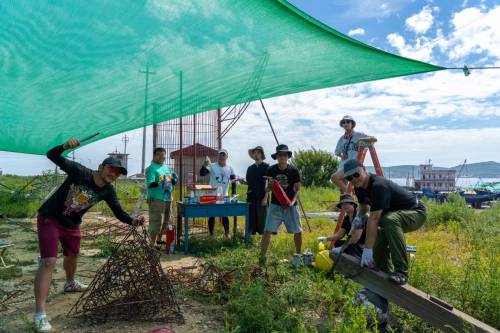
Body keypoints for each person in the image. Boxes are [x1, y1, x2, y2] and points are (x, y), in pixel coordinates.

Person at [34, 138, 144, 332]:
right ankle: (40, 316)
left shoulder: (108, 190)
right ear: (101, 166)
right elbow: (52, 155)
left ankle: (70, 283)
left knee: (73, 255)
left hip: (72, 224)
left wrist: (132, 221)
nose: (114, 174)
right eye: (112, 169)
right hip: (50, 218)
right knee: (49, 262)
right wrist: (65, 147)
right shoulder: (79, 172)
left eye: (118, 173)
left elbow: (119, 212)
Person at [344, 159, 427, 285]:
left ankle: (401, 272)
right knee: (378, 250)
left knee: (389, 220)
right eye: (349, 178)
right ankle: (385, 275)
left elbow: (374, 218)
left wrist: (366, 249)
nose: (354, 179)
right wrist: (358, 216)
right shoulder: (359, 186)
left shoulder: (378, 186)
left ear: (364, 169)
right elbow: (363, 204)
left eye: (356, 174)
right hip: (391, 217)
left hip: (415, 213)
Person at [260, 144, 302, 266]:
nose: (283, 157)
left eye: (285, 155)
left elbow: (298, 189)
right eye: (280, 155)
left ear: (288, 156)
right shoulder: (271, 170)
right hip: (275, 206)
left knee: (298, 231)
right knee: (267, 230)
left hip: (291, 207)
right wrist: (267, 190)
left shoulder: (294, 170)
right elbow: (267, 187)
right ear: (276, 157)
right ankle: (262, 258)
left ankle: (298, 256)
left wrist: (293, 202)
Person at [331, 115, 377, 193]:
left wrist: (361, 139)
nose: (346, 123)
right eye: (344, 122)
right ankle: (347, 200)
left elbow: (374, 139)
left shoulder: (358, 135)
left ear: (352, 124)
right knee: (342, 189)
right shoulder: (342, 139)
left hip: (352, 165)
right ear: (342, 125)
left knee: (334, 178)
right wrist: (342, 156)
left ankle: (349, 193)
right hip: (343, 164)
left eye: (348, 121)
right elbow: (336, 152)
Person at [200, 148, 237, 237]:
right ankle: (211, 234)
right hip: (212, 195)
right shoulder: (212, 166)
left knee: (225, 214)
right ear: (218, 156)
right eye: (220, 154)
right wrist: (204, 166)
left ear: (227, 156)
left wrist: (234, 193)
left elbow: (234, 181)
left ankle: (227, 233)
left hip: (224, 195)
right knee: (212, 215)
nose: (222, 157)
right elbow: (202, 173)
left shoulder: (230, 167)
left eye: (223, 155)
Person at [317, 194, 367, 259]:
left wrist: (342, 248)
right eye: (342, 204)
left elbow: (356, 238)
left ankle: (354, 265)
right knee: (338, 243)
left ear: (353, 204)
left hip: (366, 245)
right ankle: (341, 262)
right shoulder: (347, 218)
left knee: (351, 246)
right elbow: (339, 235)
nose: (344, 206)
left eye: (347, 203)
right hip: (356, 244)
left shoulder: (360, 217)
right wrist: (326, 239)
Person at [146, 147, 177, 249]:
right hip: (156, 197)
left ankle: (160, 239)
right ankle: (153, 242)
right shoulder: (152, 168)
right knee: (157, 220)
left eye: (163, 154)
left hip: (167, 197)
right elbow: (149, 184)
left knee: (166, 220)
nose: (161, 156)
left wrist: (174, 180)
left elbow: (170, 179)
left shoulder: (167, 168)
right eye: (158, 154)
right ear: (154, 156)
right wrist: (160, 183)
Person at [240, 146, 269, 235]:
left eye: (258, 153)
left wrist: (265, 198)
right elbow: (250, 182)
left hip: (262, 196)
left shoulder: (266, 167)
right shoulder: (250, 168)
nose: (256, 154)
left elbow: (268, 184)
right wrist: (244, 182)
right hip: (251, 196)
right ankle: (250, 237)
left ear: (261, 154)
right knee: (251, 217)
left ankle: (264, 237)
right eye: (255, 153)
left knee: (262, 218)